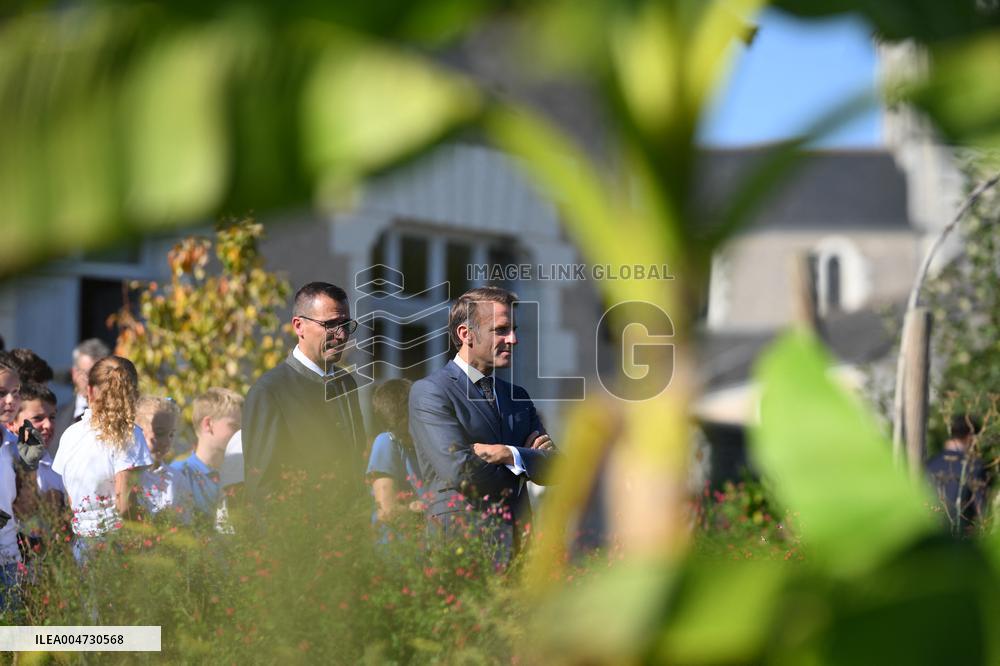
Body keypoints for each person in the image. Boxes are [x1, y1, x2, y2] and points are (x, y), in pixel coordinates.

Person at [408, 286, 558, 564]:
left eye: (514, 329)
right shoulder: (430, 392)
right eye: (501, 330)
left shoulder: (518, 397)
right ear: (466, 334)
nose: (513, 339)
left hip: (519, 547)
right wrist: (527, 462)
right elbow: (461, 471)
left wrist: (507, 454)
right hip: (461, 547)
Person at [242, 282, 367, 503]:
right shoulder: (269, 392)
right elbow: (262, 487)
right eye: (329, 325)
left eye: (345, 324)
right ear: (299, 326)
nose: (340, 335)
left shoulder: (347, 384)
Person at [51, 356, 152, 561]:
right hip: (117, 543)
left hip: (80, 541)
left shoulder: (71, 434)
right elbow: (124, 504)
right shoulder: (130, 435)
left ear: (89, 391)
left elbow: (70, 499)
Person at [170, 388, 242, 523]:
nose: (240, 434)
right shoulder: (178, 475)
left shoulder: (241, 475)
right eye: (234, 426)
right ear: (208, 424)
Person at [367, 379, 424, 528]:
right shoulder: (386, 442)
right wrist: (427, 508)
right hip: (398, 544)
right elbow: (387, 511)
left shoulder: (418, 445)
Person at [926, 413, 988, 533]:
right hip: (960, 538)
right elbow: (981, 510)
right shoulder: (974, 466)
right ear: (970, 436)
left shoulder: (929, 464)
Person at [52, 339, 111, 456]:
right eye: (88, 374)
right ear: (74, 373)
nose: (93, 381)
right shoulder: (54, 420)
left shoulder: (118, 418)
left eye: (99, 375)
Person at [135, 396, 181, 518]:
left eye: (171, 434)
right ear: (138, 431)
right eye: (159, 433)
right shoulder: (129, 476)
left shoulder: (176, 478)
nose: (166, 442)